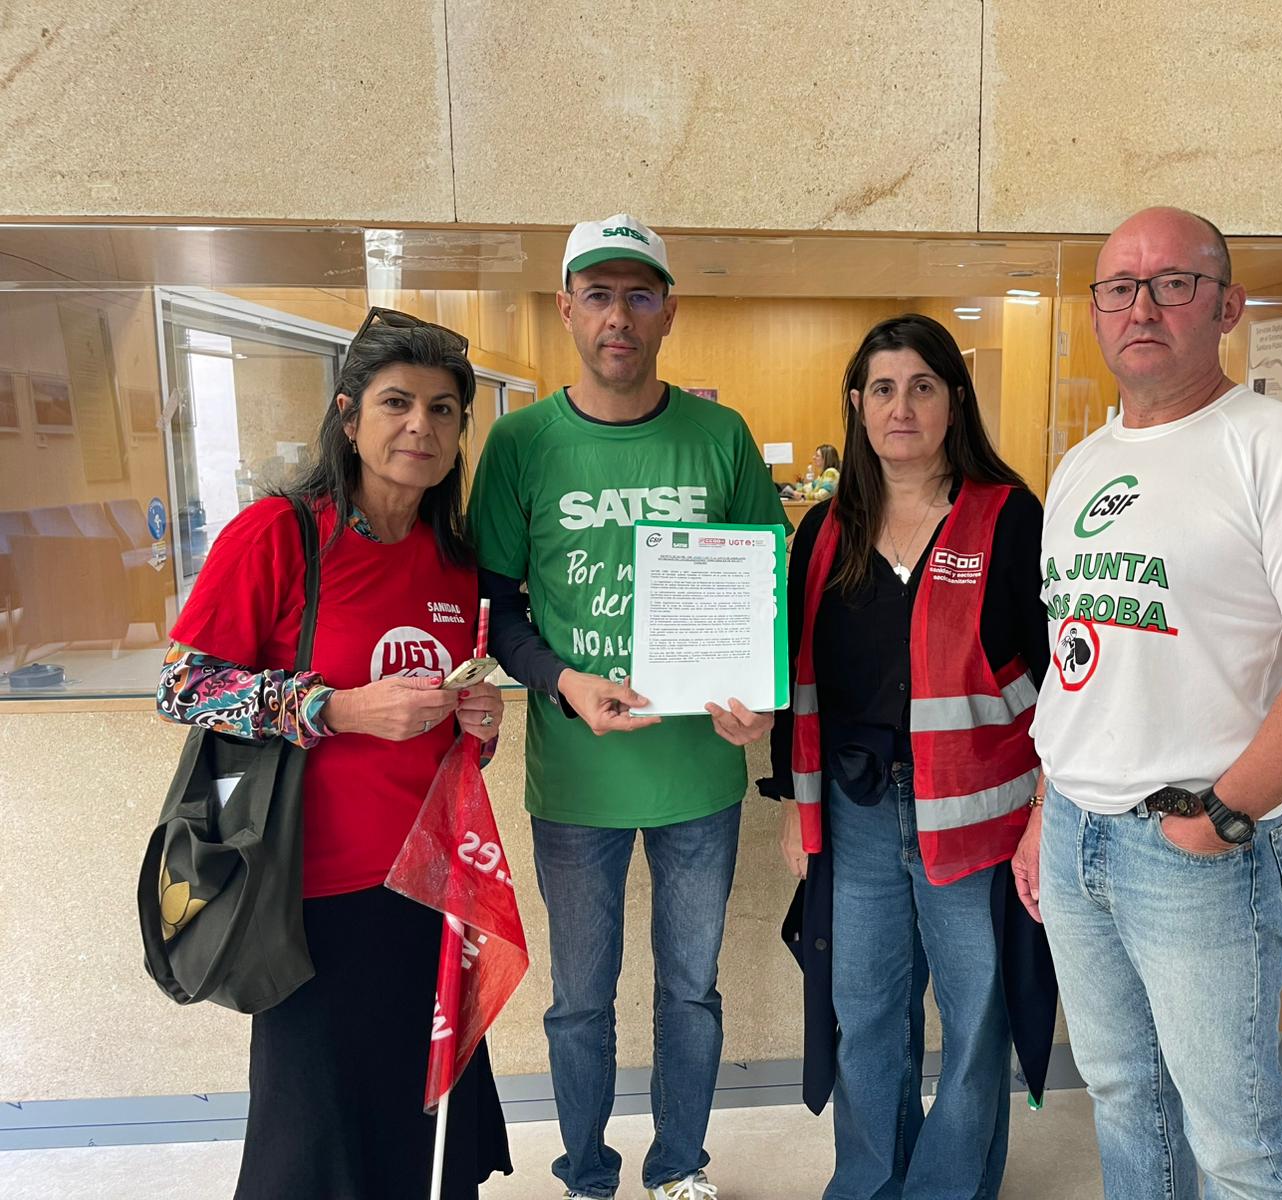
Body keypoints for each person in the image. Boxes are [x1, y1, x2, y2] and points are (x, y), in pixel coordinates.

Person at [1023, 208, 1282, 1200]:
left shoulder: (1278, 447)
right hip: (1072, 834)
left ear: (1226, 306)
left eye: (1171, 283)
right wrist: (1040, 812)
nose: (1140, 306)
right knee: (1118, 1095)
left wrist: (1224, 815)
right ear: (1096, 311)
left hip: (1194, 847)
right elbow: (1078, 663)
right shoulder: (1080, 465)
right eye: (1118, 287)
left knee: (1235, 1141)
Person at [156, 307, 511, 1199]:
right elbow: (183, 686)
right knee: (311, 1143)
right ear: (349, 418)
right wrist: (335, 707)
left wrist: (479, 724)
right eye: (397, 403)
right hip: (304, 895)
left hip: (425, 889)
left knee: (420, 1137)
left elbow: (442, 734)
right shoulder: (281, 534)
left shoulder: (453, 559)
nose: (419, 427)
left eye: (442, 409)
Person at [468, 214, 788, 1200]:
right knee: (578, 1002)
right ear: (567, 309)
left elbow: (762, 590)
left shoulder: (719, 435)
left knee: (689, 991)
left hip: (699, 771)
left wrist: (763, 707)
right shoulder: (521, 443)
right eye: (598, 295)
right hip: (575, 778)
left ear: (668, 312)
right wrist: (562, 681)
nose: (619, 315)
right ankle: (586, 1175)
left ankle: (680, 1169)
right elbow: (496, 607)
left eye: (639, 295)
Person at [765, 313, 1057, 1200]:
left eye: (923, 386)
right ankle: (869, 1181)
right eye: (883, 389)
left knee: (975, 1019)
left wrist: (1048, 812)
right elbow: (794, 677)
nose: (902, 408)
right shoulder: (824, 531)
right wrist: (790, 802)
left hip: (977, 816)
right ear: (857, 407)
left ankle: (948, 1187)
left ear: (953, 402)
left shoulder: (1009, 517)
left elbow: (1062, 680)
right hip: (853, 815)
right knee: (866, 1016)